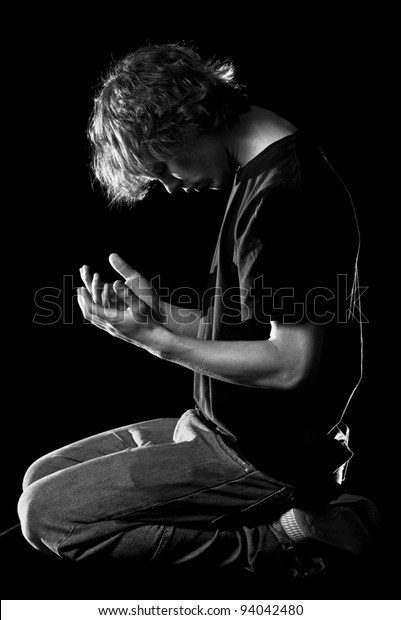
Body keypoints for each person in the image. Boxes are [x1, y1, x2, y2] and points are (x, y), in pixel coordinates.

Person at [18, 43, 378, 575]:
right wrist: (157, 316)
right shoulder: (256, 170)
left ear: (186, 121)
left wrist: (157, 343)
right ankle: (294, 515)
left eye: (163, 165)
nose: (171, 185)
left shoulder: (282, 196)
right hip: (217, 426)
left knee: (46, 515)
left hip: (265, 456)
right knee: (41, 476)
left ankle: (286, 538)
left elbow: (290, 366)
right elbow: (250, 328)